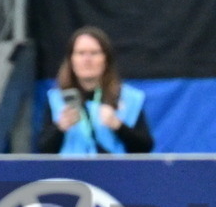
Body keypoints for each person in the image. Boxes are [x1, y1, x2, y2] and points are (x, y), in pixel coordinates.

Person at [37, 26, 154, 154]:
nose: (87, 60)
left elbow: (145, 148)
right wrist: (60, 128)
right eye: (80, 53)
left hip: (115, 172)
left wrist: (118, 126)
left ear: (106, 59)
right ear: (71, 60)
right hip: (70, 172)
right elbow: (43, 150)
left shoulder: (129, 98)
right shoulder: (57, 99)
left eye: (94, 53)